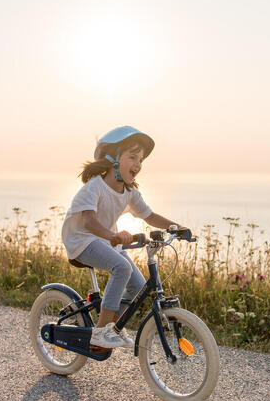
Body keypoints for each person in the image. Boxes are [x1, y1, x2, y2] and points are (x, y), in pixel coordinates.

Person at [61, 126, 184, 349]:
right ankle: (100, 331)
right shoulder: (94, 187)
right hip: (81, 240)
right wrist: (114, 235)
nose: (138, 164)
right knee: (122, 267)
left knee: (138, 285)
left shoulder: (129, 192)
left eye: (141, 160)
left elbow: (150, 216)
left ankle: (112, 327)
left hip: (106, 241)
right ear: (112, 158)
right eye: (132, 157)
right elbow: (89, 221)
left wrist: (177, 227)